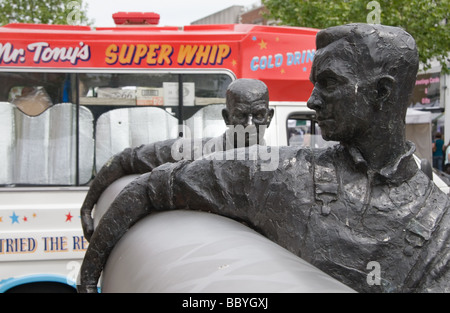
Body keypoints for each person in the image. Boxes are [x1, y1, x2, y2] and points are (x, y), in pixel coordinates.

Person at [78, 24, 450, 293]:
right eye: (313, 83)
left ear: (381, 93)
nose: (312, 100)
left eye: (330, 83)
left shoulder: (440, 220)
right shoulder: (281, 172)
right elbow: (150, 185)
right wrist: (87, 282)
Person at [80, 78, 274, 241]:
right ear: (226, 117)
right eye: (240, 115)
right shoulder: (194, 152)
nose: (249, 125)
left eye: (258, 115)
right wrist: (87, 208)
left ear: (269, 117)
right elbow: (125, 159)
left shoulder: (277, 167)